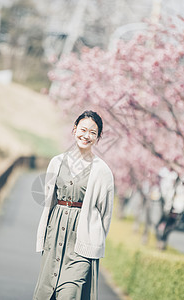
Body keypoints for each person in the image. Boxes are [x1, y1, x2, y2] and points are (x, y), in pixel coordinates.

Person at [33, 110, 115, 300]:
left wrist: (94, 238)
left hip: (82, 242)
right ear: (74, 129)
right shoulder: (56, 163)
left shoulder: (102, 171)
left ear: (98, 137)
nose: (86, 136)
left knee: (69, 294)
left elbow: (106, 214)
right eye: (83, 129)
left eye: (93, 133)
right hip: (55, 238)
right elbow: (49, 201)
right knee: (47, 293)